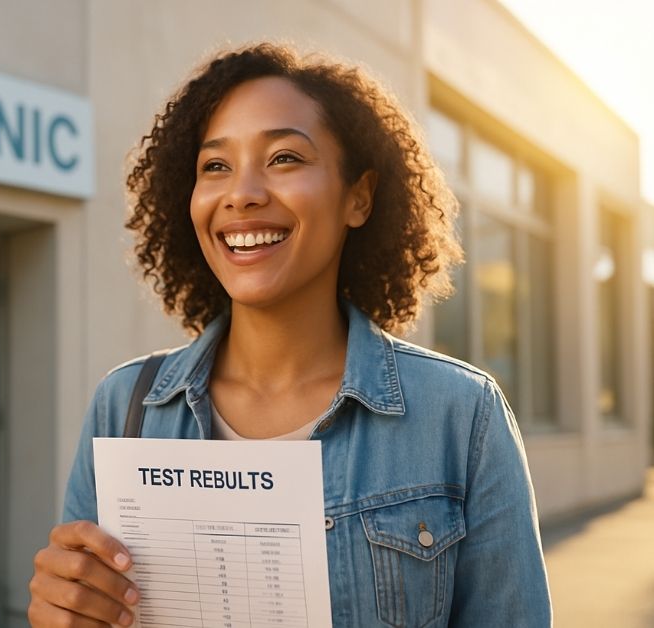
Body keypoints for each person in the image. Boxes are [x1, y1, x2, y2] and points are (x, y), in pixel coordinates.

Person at [28, 43, 552, 627]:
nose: (242, 193)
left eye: (283, 158)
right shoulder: (124, 407)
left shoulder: (462, 415)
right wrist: (65, 612)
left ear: (359, 196)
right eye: (216, 166)